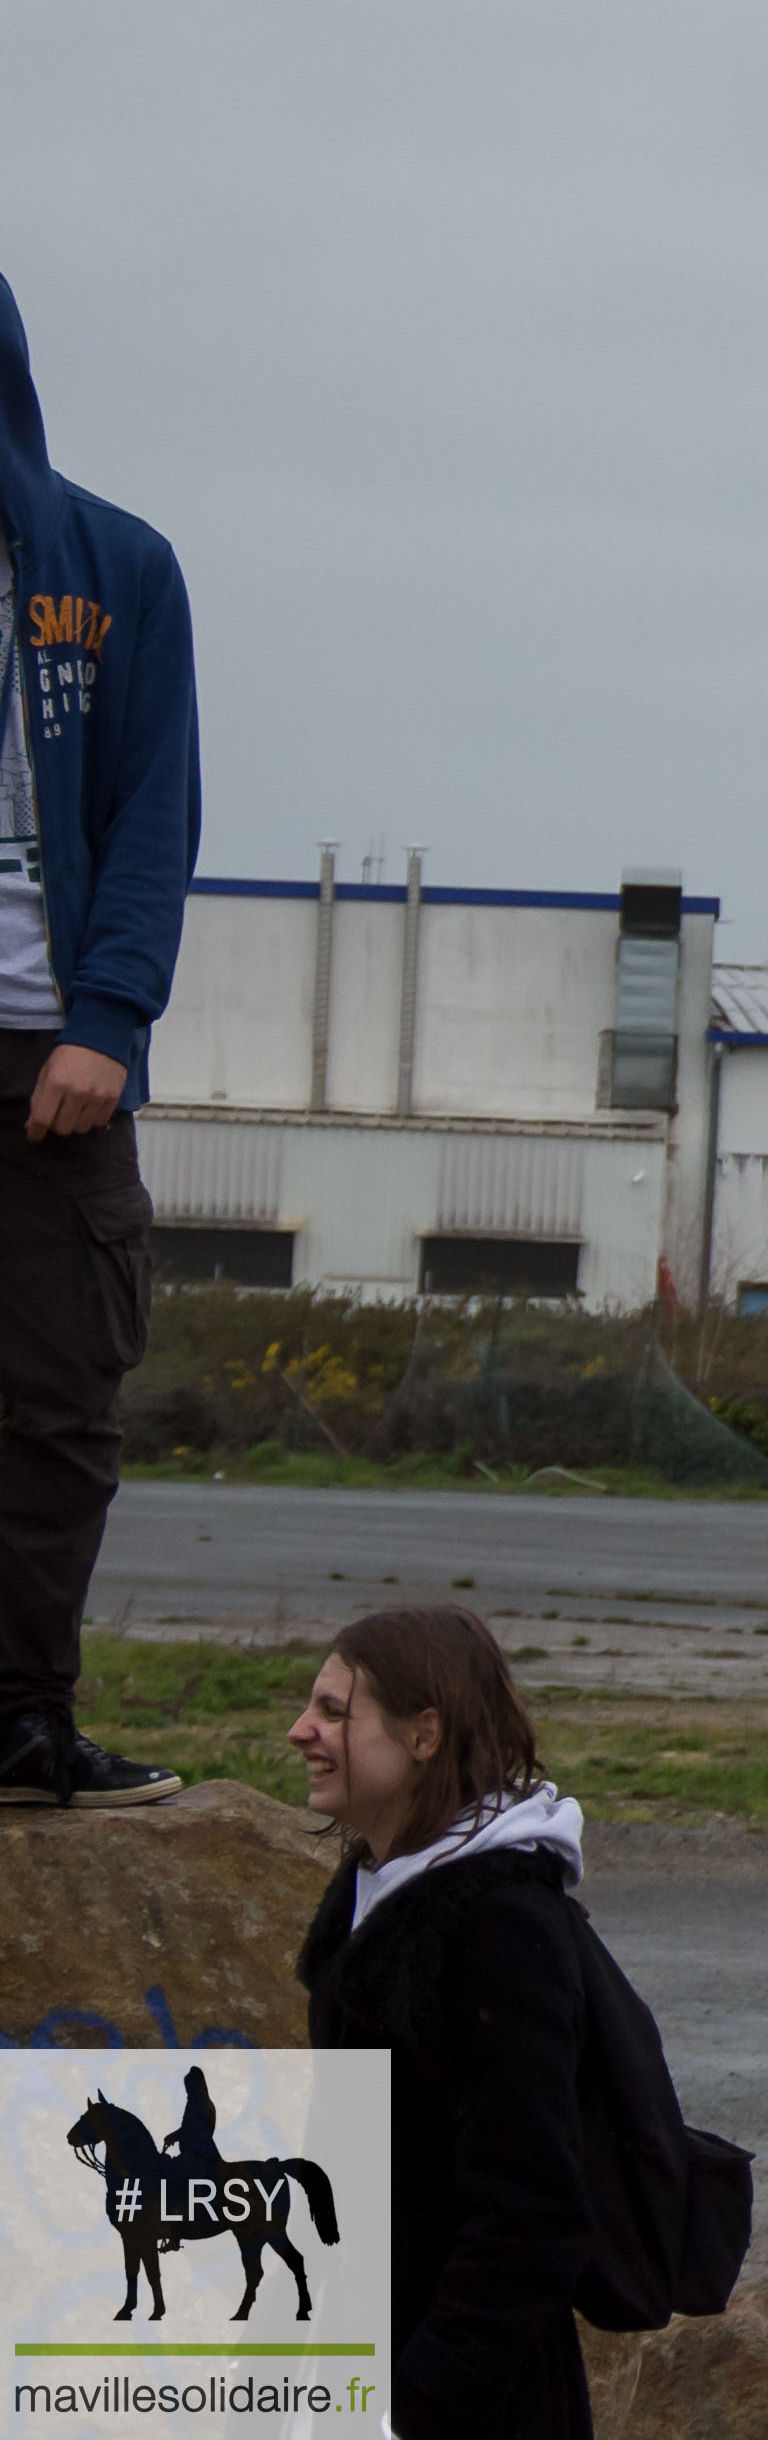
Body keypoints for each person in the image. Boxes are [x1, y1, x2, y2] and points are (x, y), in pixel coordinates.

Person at [0, 271, 200, 1812]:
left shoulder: (112, 564)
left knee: (60, 1400)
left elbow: (153, 813)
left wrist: (108, 1018)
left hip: (47, 1062)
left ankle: (21, 1716)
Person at [293, 1606, 596, 2439]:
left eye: (332, 1711)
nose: (299, 1731)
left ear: (424, 1735)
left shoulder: (500, 1927)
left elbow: (533, 2221)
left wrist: (413, 2411)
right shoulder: (370, 1892)